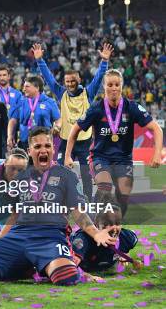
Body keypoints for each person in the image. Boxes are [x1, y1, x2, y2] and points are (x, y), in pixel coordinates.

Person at [0, 127, 118, 286]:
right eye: (37, 147)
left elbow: (77, 212)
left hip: (50, 238)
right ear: (29, 150)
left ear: (54, 148)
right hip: (18, 237)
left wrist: (96, 234)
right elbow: (14, 215)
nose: (43, 150)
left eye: (47, 146)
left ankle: (41, 266)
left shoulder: (67, 176)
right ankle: (27, 266)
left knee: (66, 277)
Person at [65, 69, 163, 216]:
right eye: (110, 84)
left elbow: (156, 129)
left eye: (117, 84)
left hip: (124, 159)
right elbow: (75, 130)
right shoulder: (96, 109)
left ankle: (113, 227)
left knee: (122, 199)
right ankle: (96, 221)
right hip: (100, 157)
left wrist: (157, 154)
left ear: (122, 86)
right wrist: (67, 156)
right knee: (105, 187)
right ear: (104, 87)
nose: (114, 88)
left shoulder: (132, 107)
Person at [32, 42, 113, 199]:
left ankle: (88, 201)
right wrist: (40, 60)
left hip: (84, 142)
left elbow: (98, 78)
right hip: (65, 140)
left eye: (72, 81)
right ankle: (62, 200)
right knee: (61, 171)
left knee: (85, 174)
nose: (69, 84)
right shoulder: (61, 92)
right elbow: (49, 79)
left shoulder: (88, 93)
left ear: (79, 79)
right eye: (67, 81)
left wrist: (104, 62)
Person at [7, 75, 61, 151]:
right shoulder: (21, 102)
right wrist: (10, 136)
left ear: (37, 88)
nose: (23, 89)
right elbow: (13, 120)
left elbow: (58, 120)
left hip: (43, 144)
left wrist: (57, 127)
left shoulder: (50, 102)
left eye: (27, 86)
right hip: (24, 143)